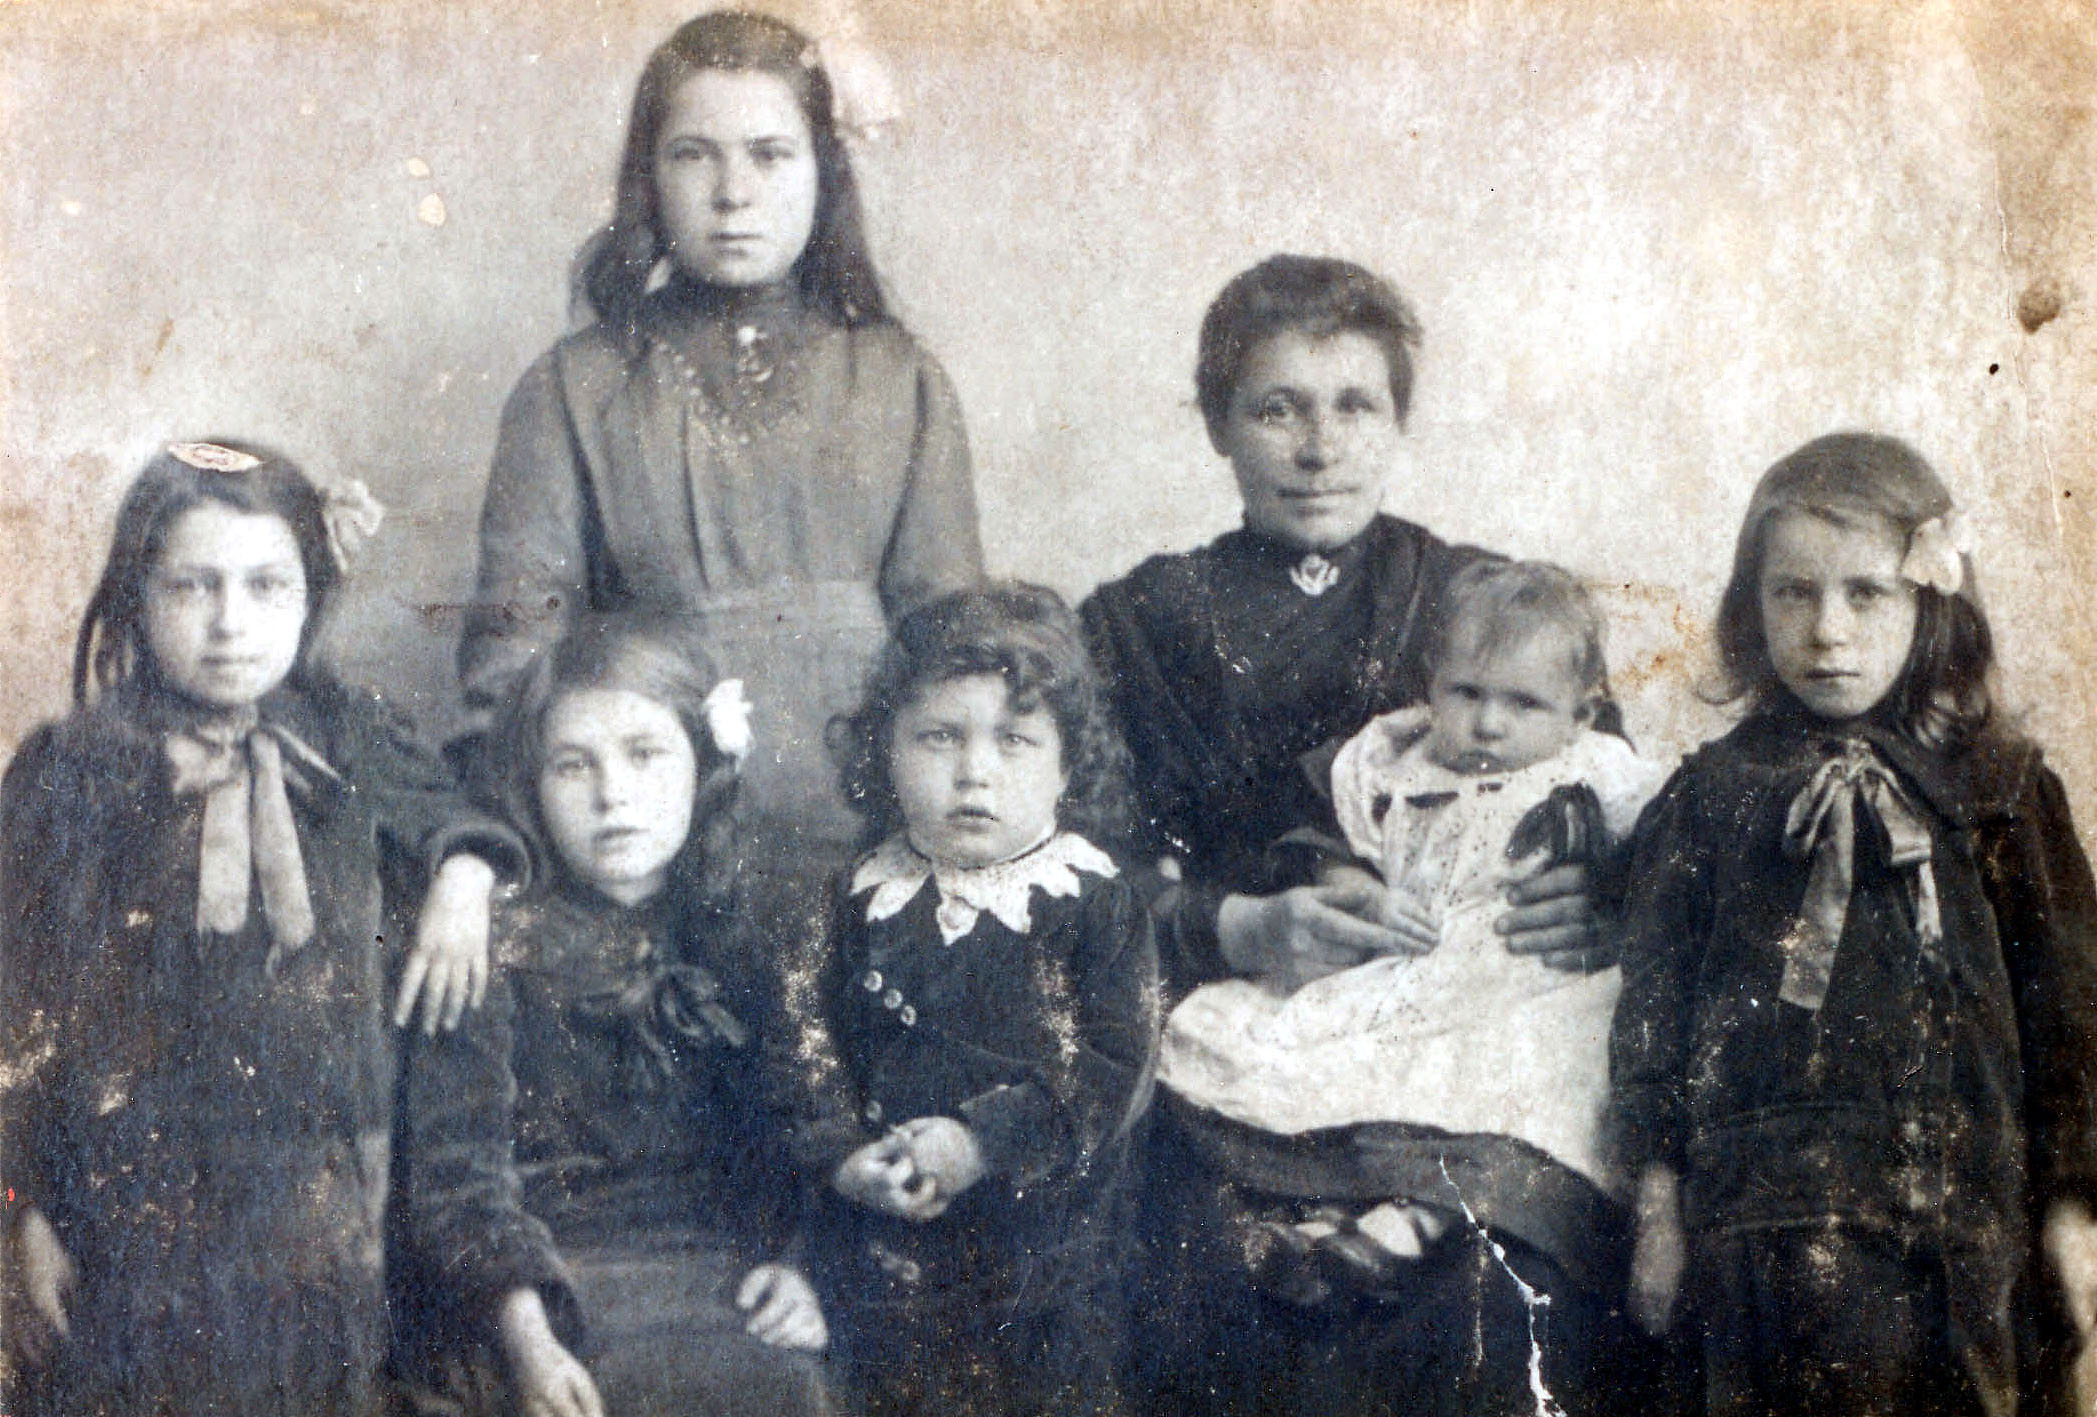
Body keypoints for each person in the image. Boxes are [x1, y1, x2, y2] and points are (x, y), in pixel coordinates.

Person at [0, 440, 524, 1417]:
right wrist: (18, 1209)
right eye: (192, 585)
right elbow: (16, 1010)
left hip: (320, 1229)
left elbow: (450, 810)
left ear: (311, 591)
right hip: (128, 1226)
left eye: (266, 585)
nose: (231, 622)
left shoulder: (351, 738)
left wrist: (464, 868)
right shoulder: (73, 771)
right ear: (138, 594)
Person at [457, 9, 983, 946]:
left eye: (770, 155)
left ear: (823, 173)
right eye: (693, 156)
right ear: (648, 179)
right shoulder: (571, 389)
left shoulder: (899, 378)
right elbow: (514, 671)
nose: (733, 193)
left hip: (880, 855)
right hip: (652, 872)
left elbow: (955, 644)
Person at [1612, 432, 2097, 1415]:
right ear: (1752, 604)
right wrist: (1657, 1207)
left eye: (1865, 593)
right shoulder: (1710, 797)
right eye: (1793, 592)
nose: (1827, 630)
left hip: (1956, 1230)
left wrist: (2073, 1212)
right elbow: (1653, 1012)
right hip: (1755, 1238)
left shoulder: (1999, 791)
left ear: (1930, 603)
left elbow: (2071, 1015)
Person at [1148, 560, 1666, 1414]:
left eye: (1523, 703)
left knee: (1525, 1087)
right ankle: (1330, 1217)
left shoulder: (1599, 774)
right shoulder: (1391, 761)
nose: (1487, 722)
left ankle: (1415, 1217)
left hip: (1522, 985)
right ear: (1431, 685)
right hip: (1405, 972)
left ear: (1581, 713)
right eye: (1466, 692)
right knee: (1285, 1052)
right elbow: (1322, 839)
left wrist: (1614, 890)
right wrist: (1348, 881)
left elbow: (1667, 853)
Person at [1078, 253, 1594, 999]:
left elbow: (1605, 792)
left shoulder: (1493, 604)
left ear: (1398, 420)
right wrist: (1235, 927)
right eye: (1276, 410)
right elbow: (1059, 861)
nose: (1319, 451)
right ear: (1219, 426)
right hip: (1223, 995)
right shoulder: (1135, 621)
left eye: (1355, 407)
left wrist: (1600, 890)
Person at [396, 618, 836, 1417]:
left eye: (645, 753)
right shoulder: (490, 941)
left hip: (728, 1273)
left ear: (702, 762)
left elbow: (807, 1130)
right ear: (531, 784)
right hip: (542, 1290)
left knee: (789, 1387)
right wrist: (529, 1343)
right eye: (573, 765)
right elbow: (457, 1177)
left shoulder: (753, 923)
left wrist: (801, 1268)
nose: (612, 795)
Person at [777, 584, 1157, 1416]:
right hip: (884, 1240)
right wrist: (842, 1154)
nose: (973, 770)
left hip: (1047, 1256)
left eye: (1014, 740)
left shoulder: (1093, 900)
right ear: (884, 750)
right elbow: (803, 1044)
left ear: (1068, 765)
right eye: (939, 736)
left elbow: (1114, 1066)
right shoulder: (853, 895)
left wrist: (981, 1140)